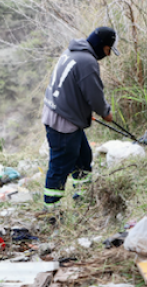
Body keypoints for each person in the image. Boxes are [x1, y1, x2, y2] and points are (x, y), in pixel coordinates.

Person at [42, 26, 118, 212]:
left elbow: (70, 87)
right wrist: (105, 112)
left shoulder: (72, 51)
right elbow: (94, 96)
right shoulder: (87, 61)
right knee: (60, 166)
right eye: (108, 50)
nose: (108, 55)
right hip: (63, 122)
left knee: (83, 158)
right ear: (102, 46)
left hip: (60, 114)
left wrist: (79, 109)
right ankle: (51, 212)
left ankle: (82, 199)